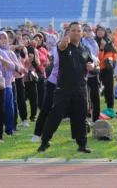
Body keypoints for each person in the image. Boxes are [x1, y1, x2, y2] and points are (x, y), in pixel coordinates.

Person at [38, 22, 95, 153]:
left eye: (78, 31)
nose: (76, 33)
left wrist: (92, 68)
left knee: (81, 117)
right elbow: (61, 47)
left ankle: (82, 144)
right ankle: (45, 141)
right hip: (63, 90)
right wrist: (64, 42)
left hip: (81, 89)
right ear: (68, 33)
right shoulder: (63, 46)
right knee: (55, 116)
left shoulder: (85, 49)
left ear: (81, 33)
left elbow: (93, 66)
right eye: (73, 31)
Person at [96, 26, 117, 112]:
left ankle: (110, 109)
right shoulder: (94, 42)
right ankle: (94, 110)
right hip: (97, 69)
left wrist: (114, 62)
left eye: (102, 30)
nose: (100, 32)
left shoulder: (109, 42)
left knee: (109, 89)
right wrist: (101, 48)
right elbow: (98, 58)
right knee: (95, 90)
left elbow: (114, 54)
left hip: (108, 69)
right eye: (98, 30)